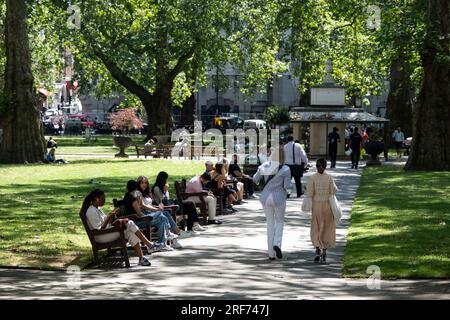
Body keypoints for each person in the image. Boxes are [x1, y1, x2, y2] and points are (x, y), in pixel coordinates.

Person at [82, 189, 152, 266]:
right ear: (96, 199)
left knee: (130, 232)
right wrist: (109, 217)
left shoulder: (97, 208)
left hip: (107, 232)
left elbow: (106, 222)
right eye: (103, 199)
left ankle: (141, 258)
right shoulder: (91, 211)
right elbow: (100, 229)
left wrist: (113, 216)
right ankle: (149, 244)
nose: (104, 200)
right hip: (101, 236)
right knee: (130, 223)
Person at [253, 147, 291, 260]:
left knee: (270, 223)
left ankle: (271, 254)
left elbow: (255, 179)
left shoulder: (264, 166)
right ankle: (277, 244)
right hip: (279, 197)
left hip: (265, 197)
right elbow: (286, 186)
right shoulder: (286, 169)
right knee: (279, 222)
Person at [124, 179, 182, 250]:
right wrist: (149, 217)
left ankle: (162, 244)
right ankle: (164, 240)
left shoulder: (132, 196)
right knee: (161, 214)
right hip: (138, 222)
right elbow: (139, 213)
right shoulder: (132, 200)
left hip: (138, 220)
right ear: (135, 189)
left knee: (162, 218)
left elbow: (142, 205)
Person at [306, 158, 338, 263]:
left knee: (316, 227)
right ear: (325, 166)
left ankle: (317, 249)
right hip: (327, 205)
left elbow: (310, 193)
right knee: (326, 228)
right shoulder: (329, 178)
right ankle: (324, 250)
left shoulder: (312, 178)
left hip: (316, 205)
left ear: (316, 166)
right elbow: (333, 190)